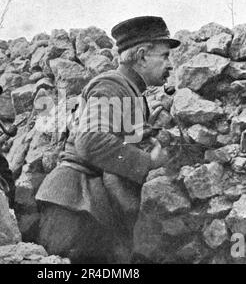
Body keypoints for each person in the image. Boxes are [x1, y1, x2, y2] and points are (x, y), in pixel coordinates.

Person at [35, 16, 181, 263]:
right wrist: (148, 161)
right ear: (143, 55)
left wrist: (141, 131)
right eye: (165, 56)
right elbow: (90, 140)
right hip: (76, 204)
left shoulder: (131, 91)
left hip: (89, 206)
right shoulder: (112, 84)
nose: (170, 65)